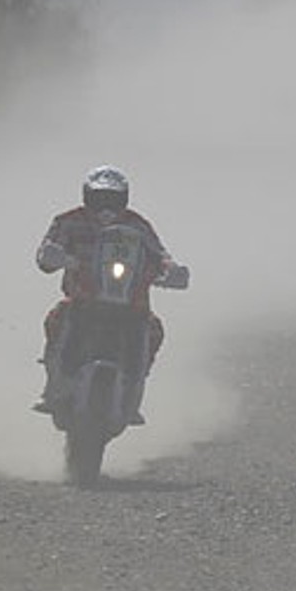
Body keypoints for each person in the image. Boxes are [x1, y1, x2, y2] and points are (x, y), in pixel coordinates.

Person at [32, 165, 181, 418]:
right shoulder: (69, 221)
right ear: (87, 197)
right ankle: (53, 385)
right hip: (83, 297)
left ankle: (132, 389)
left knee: (154, 329)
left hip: (131, 301)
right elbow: (47, 252)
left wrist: (172, 270)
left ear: (124, 199)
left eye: (112, 200)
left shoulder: (138, 225)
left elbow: (159, 254)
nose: (105, 207)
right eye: (99, 199)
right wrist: (54, 256)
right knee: (56, 318)